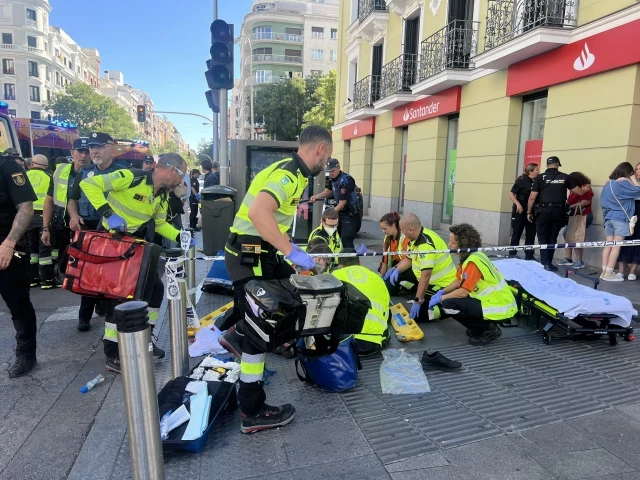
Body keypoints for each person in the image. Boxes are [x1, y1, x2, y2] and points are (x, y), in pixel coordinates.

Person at [220, 125, 332, 434]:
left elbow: (276, 222)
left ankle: (236, 330)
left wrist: (292, 254)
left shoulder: (293, 173)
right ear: (321, 149)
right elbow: (259, 213)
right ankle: (253, 410)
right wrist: (291, 253)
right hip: (250, 255)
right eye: (329, 155)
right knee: (259, 334)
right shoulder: (289, 174)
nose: (327, 163)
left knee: (293, 290)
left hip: (260, 254)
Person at [80, 149, 190, 373]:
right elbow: (88, 185)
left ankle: (144, 339)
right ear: (171, 171)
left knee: (155, 291)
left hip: (135, 246)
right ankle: (113, 354)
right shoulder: (131, 177)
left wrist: (180, 236)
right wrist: (109, 214)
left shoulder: (162, 195)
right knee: (117, 299)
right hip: (113, 243)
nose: (181, 181)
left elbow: (160, 224)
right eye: (181, 175)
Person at [68, 133, 125, 332]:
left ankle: (108, 312)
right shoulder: (84, 173)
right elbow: (72, 200)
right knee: (87, 274)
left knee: (110, 276)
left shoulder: (124, 173)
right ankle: (84, 316)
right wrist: (74, 216)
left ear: (111, 148)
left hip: (112, 233)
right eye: (92, 147)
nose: (94, 151)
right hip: (88, 230)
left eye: (99, 147)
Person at [429, 224, 517, 345]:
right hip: (494, 301)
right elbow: (459, 281)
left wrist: (441, 298)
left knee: (447, 305)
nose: (449, 245)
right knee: (453, 300)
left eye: (453, 242)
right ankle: (480, 327)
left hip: (498, 306)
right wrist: (442, 291)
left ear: (463, 244)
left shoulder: (472, 262)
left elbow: (463, 292)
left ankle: (488, 330)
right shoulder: (472, 256)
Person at [0, 153, 39, 377]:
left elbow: (26, 207)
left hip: (6, 249)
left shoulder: (8, 167)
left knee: (19, 306)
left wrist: (9, 243)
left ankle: (26, 354)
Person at [385, 213, 456, 323]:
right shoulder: (415, 237)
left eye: (403, 230)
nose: (402, 233)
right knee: (391, 281)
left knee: (419, 315)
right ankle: (417, 289)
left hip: (441, 283)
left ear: (410, 230)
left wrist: (418, 301)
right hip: (423, 276)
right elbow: (409, 259)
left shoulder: (425, 245)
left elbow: (426, 275)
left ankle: (444, 309)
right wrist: (395, 269)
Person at [41, 140, 91, 278]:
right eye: (80, 151)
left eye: (87, 152)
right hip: (62, 226)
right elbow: (49, 199)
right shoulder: (60, 171)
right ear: (72, 152)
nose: (83, 155)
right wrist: (45, 227)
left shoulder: (97, 173)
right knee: (64, 262)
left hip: (87, 227)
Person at [527, 156, 585, 271]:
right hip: (559, 211)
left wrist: (529, 211)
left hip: (543, 211)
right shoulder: (565, 177)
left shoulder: (540, 177)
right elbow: (579, 192)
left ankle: (545, 262)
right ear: (558, 164)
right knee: (552, 237)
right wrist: (585, 190)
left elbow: (532, 197)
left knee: (543, 237)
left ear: (547, 165)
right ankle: (548, 262)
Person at [599, 162, 640, 282]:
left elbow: (603, 201)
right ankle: (609, 272)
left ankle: (604, 271)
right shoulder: (624, 183)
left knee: (608, 245)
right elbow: (638, 191)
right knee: (616, 247)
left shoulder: (609, 184)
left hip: (608, 217)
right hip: (620, 218)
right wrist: (632, 179)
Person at [309, 158, 359, 249]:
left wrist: (328, 216)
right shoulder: (333, 179)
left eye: (332, 170)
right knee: (336, 238)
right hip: (340, 213)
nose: (331, 173)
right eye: (329, 171)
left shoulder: (345, 180)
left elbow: (342, 203)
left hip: (349, 214)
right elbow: (330, 191)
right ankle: (338, 261)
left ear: (338, 167)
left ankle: (351, 261)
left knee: (346, 241)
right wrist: (316, 196)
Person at [25, 154, 56, 289]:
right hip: (43, 216)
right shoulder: (50, 177)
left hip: (26, 217)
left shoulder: (23, 176)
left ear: (32, 164)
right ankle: (47, 280)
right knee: (45, 249)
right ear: (47, 166)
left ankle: (33, 279)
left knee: (32, 249)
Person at [558, 172, 593, 269]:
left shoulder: (586, 187)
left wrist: (569, 207)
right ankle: (568, 258)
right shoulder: (574, 189)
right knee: (567, 235)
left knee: (577, 236)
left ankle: (579, 260)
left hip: (582, 215)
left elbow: (585, 202)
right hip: (573, 215)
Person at [378, 212, 415, 295]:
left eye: (385, 228)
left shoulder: (404, 237)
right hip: (396, 265)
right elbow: (385, 258)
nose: (383, 231)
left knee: (404, 276)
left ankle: (412, 287)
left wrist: (394, 269)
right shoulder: (387, 238)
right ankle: (401, 284)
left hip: (407, 266)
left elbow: (408, 259)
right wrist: (382, 277)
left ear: (393, 225)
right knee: (389, 290)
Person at [508, 163, 539, 260]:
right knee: (517, 233)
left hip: (532, 211)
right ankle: (512, 254)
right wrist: (518, 204)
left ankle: (529, 255)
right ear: (530, 171)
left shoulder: (537, 181)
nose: (539, 171)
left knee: (531, 234)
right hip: (520, 211)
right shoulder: (521, 181)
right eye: (536, 170)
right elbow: (511, 194)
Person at [616, 162, 640, 281]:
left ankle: (633, 271)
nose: (637, 171)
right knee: (625, 241)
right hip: (629, 215)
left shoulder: (634, 183)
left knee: (637, 244)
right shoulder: (627, 182)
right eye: (636, 169)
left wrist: (634, 181)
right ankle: (620, 271)